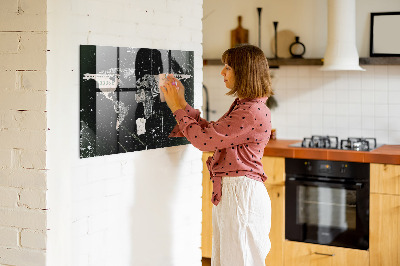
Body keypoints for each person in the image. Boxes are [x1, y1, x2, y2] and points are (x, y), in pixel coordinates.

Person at [161, 44, 273, 266]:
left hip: (241, 195)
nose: (222, 72)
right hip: (236, 193)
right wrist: (182, 104)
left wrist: (176, 108)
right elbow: (212, 133)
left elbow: (204, 141)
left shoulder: (250, 111)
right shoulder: (246, 106)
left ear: (244, 72)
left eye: (228, 67)